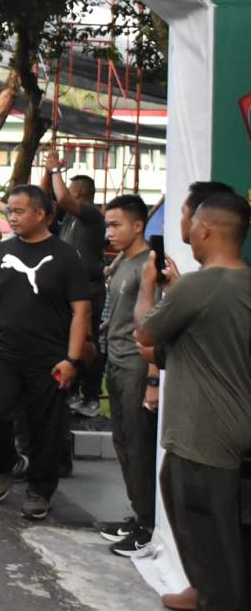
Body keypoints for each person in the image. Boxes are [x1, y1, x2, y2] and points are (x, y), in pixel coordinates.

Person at [135, 191, 251, 611]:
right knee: (221, 537)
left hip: (203, 434)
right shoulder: (241, 281)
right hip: (231, 429)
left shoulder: (201, 284)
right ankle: (202, 590)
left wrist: (148, 288)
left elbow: (145, 333)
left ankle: (213, 597)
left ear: (205, 230)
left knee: (209, 537)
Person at [0, 184, 91, 521]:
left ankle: (40, 490)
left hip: (50, 358)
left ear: (41, 213)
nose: (12, 216)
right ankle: (4, 468)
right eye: (10, 210)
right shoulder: (3, 250)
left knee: (45, 428)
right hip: (3, 352)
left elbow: (81, 311)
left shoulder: (66, 256)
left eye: (19, 211)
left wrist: (72, 360)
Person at [92, 194, 158, 558]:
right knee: (123, 443)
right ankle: (137, 515)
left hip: (136, 367)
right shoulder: (124, 263)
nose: (109, 231)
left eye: (116, 224)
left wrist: (152, 379)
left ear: (138, 225)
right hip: (115, 364)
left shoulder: (150, 265)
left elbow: (156, 328)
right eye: (107, 224)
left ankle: (147, 526)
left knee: (138, 446)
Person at [44, 149, 108, 420]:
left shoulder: (91, 215)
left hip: (89, 288)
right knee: (69, 341)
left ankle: (91, 395)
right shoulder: (68, 217)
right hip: (68, 290)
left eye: (71, 188)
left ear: (80, 192)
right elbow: (46, 198)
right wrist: (48, 172)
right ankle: (71, 390)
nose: (66, 192)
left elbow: (61, 198)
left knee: (88, 343)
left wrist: (57, 170)